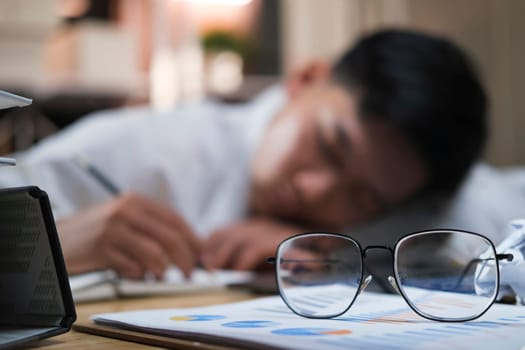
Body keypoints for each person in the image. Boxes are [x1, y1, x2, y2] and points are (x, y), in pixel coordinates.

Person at [0, 29, 493, 279]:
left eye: (361, 198)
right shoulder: (150, 147)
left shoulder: (418, 213)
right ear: (305, 81)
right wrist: (45, 245)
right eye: (327, 145)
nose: (315, 190)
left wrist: (334, 252)